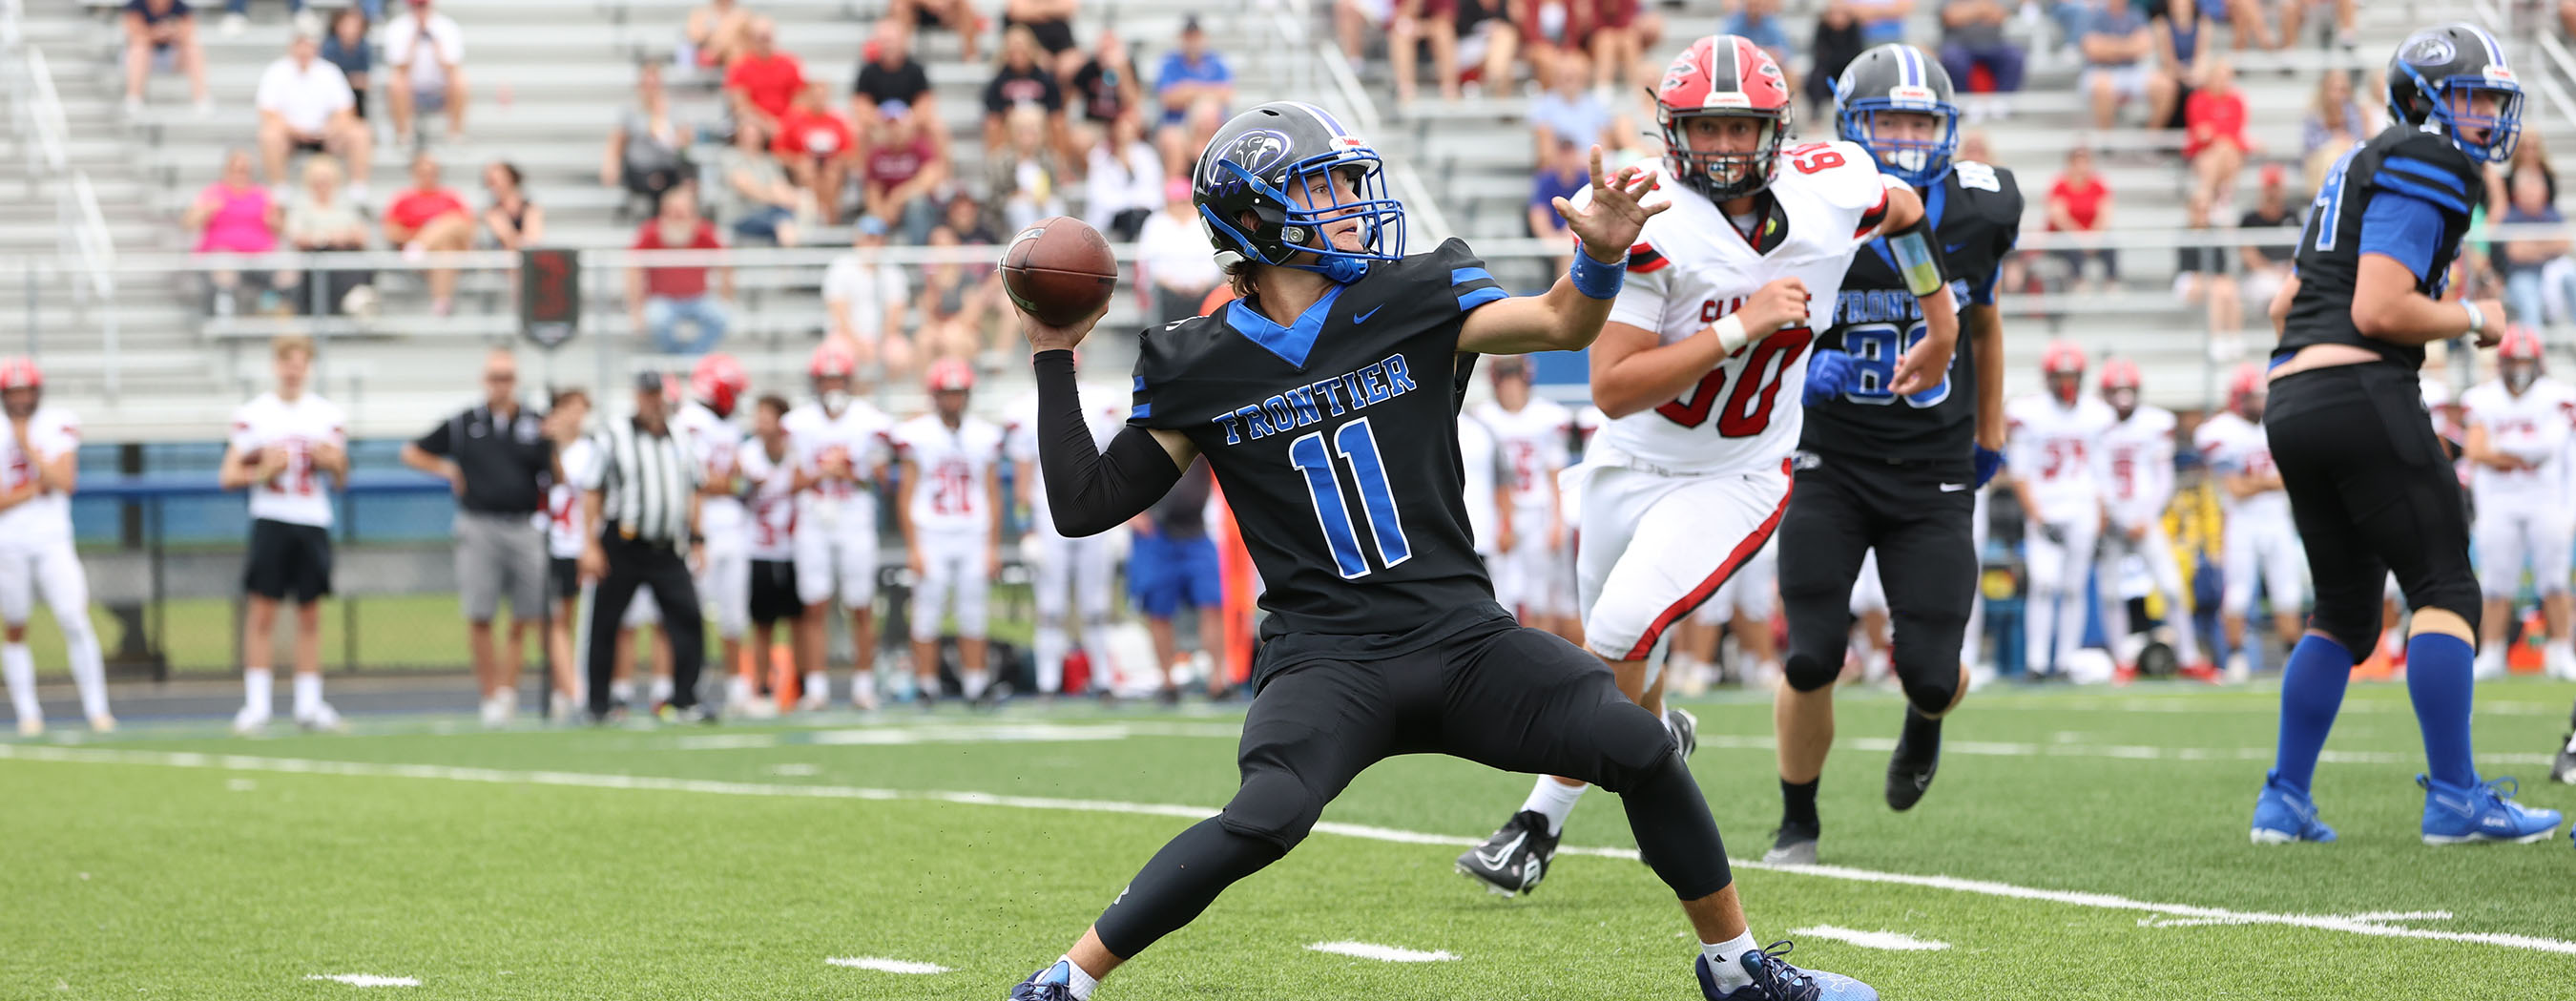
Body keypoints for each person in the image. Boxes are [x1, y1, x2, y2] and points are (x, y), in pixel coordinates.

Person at [1003, 94, 1875, 1001]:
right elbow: (1085, 503)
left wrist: (1601, 254)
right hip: (1325, 655)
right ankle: (1066, 979)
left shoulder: (1413, 295)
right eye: (1323, 187)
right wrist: (1055, 353)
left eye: (1345, 183)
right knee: (1266, 815)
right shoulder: (1196, 359)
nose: (1348, 203)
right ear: (1256, 217)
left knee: (1640, 742)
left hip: (1462, 638)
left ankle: (1736, 972)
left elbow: (1560, 323)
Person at [1462, 27, 1954, 906]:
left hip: (1738, 471)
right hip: (1628, 461)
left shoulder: (1832, 184)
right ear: (1670, 129)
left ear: (1778, 129)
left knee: (1614, 636)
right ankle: (1655, 748)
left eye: (1741, 127)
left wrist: (1941, 317)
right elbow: (1612, 387)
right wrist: (1740, 324)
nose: (1723, 147)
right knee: (1625, 664)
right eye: (1705, 127)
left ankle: (1536, 822)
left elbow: (1908, 214)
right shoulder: (1646, 212)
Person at [2252, 23, 2559, 847]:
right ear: (2426, 101)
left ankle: (2283, 798)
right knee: (2447, 589)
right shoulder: (2428, 159)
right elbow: (2379, 308)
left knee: (2347, 613)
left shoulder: (2355, 162)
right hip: (2358, 385)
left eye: (2496, 98)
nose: (2490, 115)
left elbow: (2284, 305)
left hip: (2291, 396)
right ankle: (2456, 798)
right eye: (2474, 96)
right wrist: (2475, 318)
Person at [1764, 45, 2013, 865]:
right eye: (1889, 121)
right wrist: (1803, 369)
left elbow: (1981, 323)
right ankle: (1797, 819)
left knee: (1935, 672)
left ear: (1946, 130)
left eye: (1920, 122)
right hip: (1829, 459)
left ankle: (1924, 720)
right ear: (1851, 126)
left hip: (1935, 467)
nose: (1905, 139)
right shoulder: (1805, 207)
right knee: (1811, 653)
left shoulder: (1979, 208)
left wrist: (1991, 432)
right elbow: (1760, 322)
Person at [400, 347, 555, 727]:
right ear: (485, 381)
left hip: (524, 524)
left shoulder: (535, 423)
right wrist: (447, 470)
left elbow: (554, 473)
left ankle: (508, 691)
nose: (501, 385)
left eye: (507, 377)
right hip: (479, 524)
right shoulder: (464, 424)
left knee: (527, 614)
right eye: (495, 377)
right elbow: (412, 452)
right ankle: (489, 695)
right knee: (480, 613)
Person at [221, 336, 349, 735]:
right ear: (276, 365)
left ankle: (308, 705)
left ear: (308, 367)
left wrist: (334, 463)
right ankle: (257, 705)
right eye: (287, 362)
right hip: (272, 516)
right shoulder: (255, 414)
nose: (294, 370)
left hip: (311, 519)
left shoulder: (326, 415)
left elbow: (342, 479)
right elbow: (228, 476)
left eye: (301, 363)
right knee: (263, 612)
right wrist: (262, 473)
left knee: (310, 614)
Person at [578, 371, 711, 723]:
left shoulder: (682, 437)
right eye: (649, 395)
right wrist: (589, 543)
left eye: (659, 395)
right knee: (606, 622)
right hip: (623, 544)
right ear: (637, 396)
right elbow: (593, 490)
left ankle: (685, 699)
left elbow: (695, 489)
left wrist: (698, 538)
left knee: (688, 618)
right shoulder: (614, 435)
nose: (654, 402)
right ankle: (599, 703)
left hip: (668, 547)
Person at [0, 359, 114, 737]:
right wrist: (33, 488)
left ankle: (98, 710)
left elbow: (65, 480)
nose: (20, 399)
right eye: (13, 392)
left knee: (75, 619)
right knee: (15, 625)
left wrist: (27, 445)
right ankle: (28, 713)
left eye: (25, 391)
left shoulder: (57, 421)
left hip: (53, 540)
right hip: (9, 544)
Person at [2461, 327, 2575, 679]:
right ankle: (2492, 652)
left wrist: (2503, 449)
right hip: (2499, 501)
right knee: (2496, 582)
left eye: (2527, 360)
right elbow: (2475, 450)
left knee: (2554, 580)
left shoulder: (2555, 395)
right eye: (2516, 360)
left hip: (2545, 499)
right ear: (2503, 362)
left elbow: (2550, 447)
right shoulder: (2483, 398)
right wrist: (2524, 454)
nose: (2521, 367)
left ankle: (2561, 653)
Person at [787, 341, 895, 709]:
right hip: (815, 518)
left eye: (838, 379)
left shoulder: (869, 419)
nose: (832, 387)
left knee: (861, 604)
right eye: (826, 379)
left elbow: (881, 480)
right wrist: (822, 472)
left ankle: (863, 687)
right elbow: (791, 480)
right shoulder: (799, 424)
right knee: (814, 605)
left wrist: (851, 473)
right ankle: (816, 690)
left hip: (853, 517)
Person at [892, 359, 1006, 703]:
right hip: (932, 533)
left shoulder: (984, 435)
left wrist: (992, 546)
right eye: (946, 393)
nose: (952, 400)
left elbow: (992, 493)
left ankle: (975, 683)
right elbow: (906, 493)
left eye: (958, 393)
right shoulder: (918, 434)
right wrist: (913, 546)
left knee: (973, 610)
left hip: (972, 532)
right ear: (934, 396)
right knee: (928, 609)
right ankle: (926, 685)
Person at [1007, 373, 1126, 697]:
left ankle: (1103, 678)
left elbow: (1116, 461)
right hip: (1048, 517)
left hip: (1096, 509)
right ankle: (1048, 681)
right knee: (1050, 604)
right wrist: (1025, 529)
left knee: (1097, 603)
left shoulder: (1099, 400)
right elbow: (1022, 477)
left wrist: (1120, 522)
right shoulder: (1026, 406)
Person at [2005, 342, 2114, 679]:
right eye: (2060, 375)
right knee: (2043, 584)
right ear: (2047, 377)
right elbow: (2020, 472)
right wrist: (2037, 516)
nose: (2066, 382)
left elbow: (2100, 472)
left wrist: (2100, 520)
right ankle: (2037, 662)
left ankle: (2065, 661)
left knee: (2074, 588)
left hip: (2081, 507)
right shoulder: (2029, 413)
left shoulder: (2097, 414)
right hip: (2046, 507)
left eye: (2071, 375)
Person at [2092, 359, 2206, 678]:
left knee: (2171, 587)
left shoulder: (2155, 422)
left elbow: (2164, 477)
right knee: (2111, 593)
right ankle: (2122, 663)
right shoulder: (2095, 424)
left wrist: (2145, 516)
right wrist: (2114, 516)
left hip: (2146, 519)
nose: (2121, 398)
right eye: (2115, 390)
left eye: (2126, 390)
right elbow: (2094, 476)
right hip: (2113, 522)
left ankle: (2189, 656)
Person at [2195, 364, 2299, 678]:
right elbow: (2236, 488)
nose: (2259, 404)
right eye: (2252, 398)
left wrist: (2258, 482)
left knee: (2288, 591)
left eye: (2261, 397)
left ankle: (2291, 658)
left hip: (2278, 520)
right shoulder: (2221, 430)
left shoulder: (2280, 422)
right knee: (2238, 592)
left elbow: (2290, 479)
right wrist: (2269, 482)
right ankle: (2237, 658)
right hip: (2242, 522)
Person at [1472, 357, 1575, 640]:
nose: (1511, 387)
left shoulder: (1548, 416)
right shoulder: (1483, 417)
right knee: (1501, 595)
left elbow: (1555, 471)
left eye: (1515, 379)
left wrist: (1558, 520)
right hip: (1498, 513)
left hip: (1537, 510)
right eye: (1505, 380)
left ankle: (1546, 658)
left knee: (1541, 594)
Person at [674, 353, 754, 712]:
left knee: (734, 615)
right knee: (692, 614)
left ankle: (738, 690)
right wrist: (728, 483)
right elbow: (701, 480)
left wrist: (729, 482)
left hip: (733, 527)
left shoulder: (728, 425)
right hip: (703, 526)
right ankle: (688, 687)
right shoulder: (692, 421)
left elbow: (733, 478)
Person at [1127, 456, 1221, 703]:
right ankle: (1167, 682)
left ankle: (1219, 680)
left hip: (1196, 530)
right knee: (1158, 609)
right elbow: (1119, 469)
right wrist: (1130, 514)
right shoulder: (1143, 427)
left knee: (1213, 603)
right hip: (1156, 533)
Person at [735, 394, 804, 714]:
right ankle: (760, 687)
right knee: (762, 624)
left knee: (798, 621)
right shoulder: (747, 454)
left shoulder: (797, 453)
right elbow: (733, 488)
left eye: (767, 415)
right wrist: (744, 483)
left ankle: (802, 687)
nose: (760, 422)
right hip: (758, 547)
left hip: (793, 548)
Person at [536, 386, 592, 721]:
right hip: (551, 541)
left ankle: (570, 688)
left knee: (578, 620)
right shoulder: (541, 449)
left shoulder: (590, 450)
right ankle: (570, 690)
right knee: (555, 619)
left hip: (580, 543)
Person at [627, 186, 733, 356]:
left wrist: (726, 298)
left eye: (682, 213)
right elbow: (632, 268)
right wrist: (636, 309)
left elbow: (726, 262)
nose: (677, 218)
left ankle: (689, 359)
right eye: (672, 212)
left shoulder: (704, 231)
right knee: (656, 320)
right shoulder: (650, 233)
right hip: (663, 300)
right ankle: (678, 358)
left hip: (698, 299)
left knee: (721, 317)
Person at [187, 149, 285, 318]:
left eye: (245, 171)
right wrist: (206, 211)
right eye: (236, 170)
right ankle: (225, 319)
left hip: (259, 258)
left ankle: (279, 316)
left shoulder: (262, 194)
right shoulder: (213, 193)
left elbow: (281, 228)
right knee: (224, 268)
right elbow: (188, 223)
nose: (240, 175)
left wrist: (275, 222)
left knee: (287, 271)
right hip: (223, 257)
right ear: (227, 171)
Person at [281, 155, 374, 317]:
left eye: (326, 178)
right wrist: (329, 238)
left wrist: (337, 238)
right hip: (314, 260)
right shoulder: (301, 204)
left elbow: (361, 235)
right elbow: (297, 237)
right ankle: (355, 301)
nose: (322, 183)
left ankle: (356, 301)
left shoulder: (345, 203)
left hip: (345, 256)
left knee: (354, 261)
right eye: (318, 178)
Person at [822, 218, 917, 376]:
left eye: (877, 239)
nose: (873, 244)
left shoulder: (893, 271)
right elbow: (839, 313)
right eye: (868, 238)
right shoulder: (841, 267)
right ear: (858, 240)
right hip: (846, 336)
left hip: (884, 338)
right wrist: (859, 345)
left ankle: (884, 398)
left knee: (902, 356)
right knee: (834, 360)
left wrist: (879, 344)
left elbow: (895, 315)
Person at [384, 153, 474, 316]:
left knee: (452, 224)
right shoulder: (403, 199)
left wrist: (429, 233)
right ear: (414, 174)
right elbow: (391, 232)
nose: (428, 177)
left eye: (432, 172)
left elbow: (466, 229)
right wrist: (422, 233)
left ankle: (419, 246)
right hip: (427, 259)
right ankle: (442, 302)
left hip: (442, 252)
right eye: (423, 173)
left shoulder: (451, 197)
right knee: (446, 246)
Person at [605, 62, 689, 216]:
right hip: (639, 169)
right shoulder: (630, 111)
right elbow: (617, 140)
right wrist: (611, 164)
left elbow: (684, 141)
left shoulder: (672, 110)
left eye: (654, 85)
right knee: (656, 183)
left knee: (671, 182)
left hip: (668, 169)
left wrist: (662, 121)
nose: (650, 89)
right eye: (646, 84)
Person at [1134, 177, 1221, 325]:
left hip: (1203, 291)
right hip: (1167, 293)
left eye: (1184, 202)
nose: (1180, 207)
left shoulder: (1203, 222)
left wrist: (1203, 282)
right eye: (1176, 202)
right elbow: (1148, 259)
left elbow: (1214, 256)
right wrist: (1172, 284)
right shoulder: (1156, 222)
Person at [860, 104, 949, 243]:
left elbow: (928, 180)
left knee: (916, 205)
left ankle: (916, 255)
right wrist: (881, 211)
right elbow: (872, 191)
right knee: (867, 221)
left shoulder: (920, 148)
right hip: (889, 210)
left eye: (898, 125)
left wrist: (896, 198)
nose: (894, 130)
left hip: (917, 208)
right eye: (890, 125)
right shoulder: (876, 154)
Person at [2498, 169, 2574, 328]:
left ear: (2544, 193)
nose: (2532, 195)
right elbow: (2516, 253)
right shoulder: (2511, 217)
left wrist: (2531, 247)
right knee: (2528, 298)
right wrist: (2547, 247)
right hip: (2522, 274)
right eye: (2527, 191)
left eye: (2535, 190)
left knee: (2572, 278)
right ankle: (2535, 347)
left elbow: (2564, 243)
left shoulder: (2552, 214)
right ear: (2517, 194)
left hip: (2551, 272)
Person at [383, 0, 467, 143]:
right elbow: (399, 67)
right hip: (410, 91)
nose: (420, 10)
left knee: (460, 80)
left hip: (440, 90)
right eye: (416, 6)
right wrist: (413, 44)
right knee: (396, 81)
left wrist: (437, 50)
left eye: (423, 6)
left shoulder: (447, 27)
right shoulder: (397, 28)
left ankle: (455, 133)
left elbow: (452, 66)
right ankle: (403, 134)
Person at [2079, 0, 2171, 130]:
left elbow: (2145, 46)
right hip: (2101, 70)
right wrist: (2128, 46)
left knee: (2165, 85)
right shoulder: (2095, 15)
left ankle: (2151, 139)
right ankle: (2106, 142)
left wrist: (2108, 46)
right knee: (2102, 86)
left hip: (2132, 70)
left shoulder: (2137, 15)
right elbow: (2092, 48)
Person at [713, 123, 804, 249]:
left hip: (769, 214)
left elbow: (780, 187)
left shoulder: (768, 161)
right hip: (740, 215)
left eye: (754, 135)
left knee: (788, 215)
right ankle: (790, 263)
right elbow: (747, 188)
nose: (751, 139)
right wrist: (778, 198)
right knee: (783, 220)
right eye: (747, 134)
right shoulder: (730, 157)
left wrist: (787, 198)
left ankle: (790, 260)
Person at [772, 86, 855, 226]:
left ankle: (829, 220)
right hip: (803, 168)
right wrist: (797, 161)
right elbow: (780, 151)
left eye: (822, 96)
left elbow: (849, 153)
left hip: (830, 168)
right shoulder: (794, 120)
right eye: (815, 96)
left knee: (831, 174)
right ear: (808, 97)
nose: (819, 100)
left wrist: (836, 161)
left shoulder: (837, 121)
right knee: (807, 170)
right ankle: (814, 216)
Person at [123, 0, 212, 117]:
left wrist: (173, 32)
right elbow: (134, 34)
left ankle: (201, 99)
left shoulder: (180, 6)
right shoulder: (136, 5)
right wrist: (156, 34)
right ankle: (134, 98)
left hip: (172, 57)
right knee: (139, 48)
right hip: (142, 58)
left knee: (192, 48)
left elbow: (189, 32)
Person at [2184, 57, 2254, 204]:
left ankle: (2205, 194)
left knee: (2225, 152)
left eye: (2226, 78)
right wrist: (2220, 136)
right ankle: (2223, 200)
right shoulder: (2198, 99)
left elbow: (2233, 130)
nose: (2222, 81)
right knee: (2220, 154)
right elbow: (2200, 133)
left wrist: (2215, 134)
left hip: (2227, 152)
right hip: (2204, 153)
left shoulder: (2236, 101)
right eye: (2218, 77)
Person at [2046, 145, 2117, 291]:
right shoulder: (2060, 185)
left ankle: (2112, 281)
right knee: (2071, 246)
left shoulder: (2098, 184)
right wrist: (2080, 237)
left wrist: (2094, 237)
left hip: (2091, 236)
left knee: (2110, 244)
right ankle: (2079, 282)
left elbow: (2105, 214)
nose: (2081, 167)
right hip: (2067, 236)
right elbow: (2059, 218)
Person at [1085, 113, 1163, 240]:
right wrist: (1129, 203)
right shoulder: (1099, 155)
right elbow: (1100, 194)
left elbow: (1154, 189)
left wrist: (1136, 203)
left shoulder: (1146, 154)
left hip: (1143, 211)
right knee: (1129, 219)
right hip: (1112, 215)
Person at [723, 18, 804, 140]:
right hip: (755, 122)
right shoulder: (740, 66)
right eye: (760, 38)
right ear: (751, 39)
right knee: (750, 131)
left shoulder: (790, 64)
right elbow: (741, 106)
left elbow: (799, 101)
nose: (764, 42)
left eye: (767, 37)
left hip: (785, 121)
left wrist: (785, 124)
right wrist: (768, 124)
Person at [1938, 0, 2024, 113]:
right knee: (1952, 57)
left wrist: (1967, 13)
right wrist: (1980, 9)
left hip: (1994, 44)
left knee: (2015, 56)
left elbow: (2000, 16)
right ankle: (1966, 104)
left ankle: (2001, 103)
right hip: (1960, 44)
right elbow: (1951, 17)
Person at [1528, 137, 1589, 296]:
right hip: (1556, 239)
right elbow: (1538, 213)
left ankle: (1565, 296)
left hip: (1578, 236)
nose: (1567, 160)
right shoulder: (1546, 180)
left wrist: (1566, 236)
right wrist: (1549, 238)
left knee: (1567, 250)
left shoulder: (1585, 178)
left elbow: (1588, 210)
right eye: (1563, 154)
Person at [1153, 15, 1234, 128]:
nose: (1193, 42)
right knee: (1171, 138)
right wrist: (1208, 92)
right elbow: (1168, 99)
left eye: (1196, 36)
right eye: (1189, 37)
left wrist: (1188, 90)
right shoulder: (1169, 63)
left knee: (1207, 111)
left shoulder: (1217, 61)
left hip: (1212, 123)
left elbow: (1227, 95)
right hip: (1177, 123)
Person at [1528, 50, 1611, 157]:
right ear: (1556, 77)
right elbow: (1545, 152)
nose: (1569, 78)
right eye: (1565, 75)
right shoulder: (1543, 105)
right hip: (1561, 167)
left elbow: (1605, 144)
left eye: (1574, 75)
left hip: (1593, 165)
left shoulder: (1595, 103)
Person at [1069, 31, 1142, 128]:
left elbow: (1132, 100)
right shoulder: (1089, 68)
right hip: (1094, 123)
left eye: (1110, 49)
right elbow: (1071, 98)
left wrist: (1121, 71)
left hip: (1119, 123)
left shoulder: (1127, 68)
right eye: (1104, 49)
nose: (1107, 54)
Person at [319, 6, 370, 120]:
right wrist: (349, 80)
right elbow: (326, 81)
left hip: (355, 96)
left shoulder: (363, 47)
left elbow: (364, 81)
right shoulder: (329, 47)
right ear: (338, 26)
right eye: (347, 25)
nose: (351, 30)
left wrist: (344, 79)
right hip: (330, 100)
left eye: (355, 25)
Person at [480, 160, 544, 250]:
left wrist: (509, 235)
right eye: (490, 182)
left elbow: (533, 242)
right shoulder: (492, 212)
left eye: (495, 181)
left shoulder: (530, 208)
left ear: (510, 179)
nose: (493, 187)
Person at [681, 0, 751, 74]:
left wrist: (718, 48)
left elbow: (749, 41)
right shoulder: (701, 14)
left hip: (734, 63)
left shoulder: (743, 16)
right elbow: (693, 36)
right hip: (706, 65)